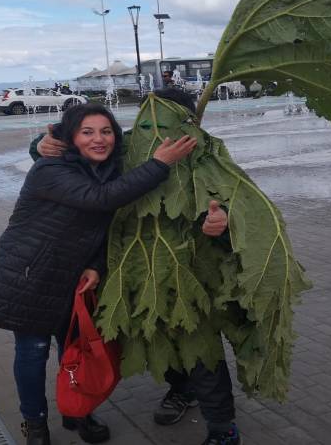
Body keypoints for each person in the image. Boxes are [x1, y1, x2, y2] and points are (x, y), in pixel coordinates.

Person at [0, 102, 197, 445]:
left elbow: (105, 226)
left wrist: (96, 265)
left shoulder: (108, 168)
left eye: (106, 131)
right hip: (30, 274)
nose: (99, 139)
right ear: (70, 137)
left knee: (73, 349)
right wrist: (159, 165)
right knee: (32, 353)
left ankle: (77, 410)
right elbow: (101, 200)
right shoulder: (50, 169)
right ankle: (34, 423)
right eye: (87, 132)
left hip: (74, 276)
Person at [34, 90, 242, 445]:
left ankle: (223, 428)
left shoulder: (210, 155)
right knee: (162, 335)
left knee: (201, 348)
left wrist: (220, 220)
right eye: (148, 122)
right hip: (138, 270)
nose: (157, 131)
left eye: (168, 121)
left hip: (192, 269)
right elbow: (77, 150)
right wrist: (39, 144)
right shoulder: (129, 150)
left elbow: (233, 201)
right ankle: (181, 390)